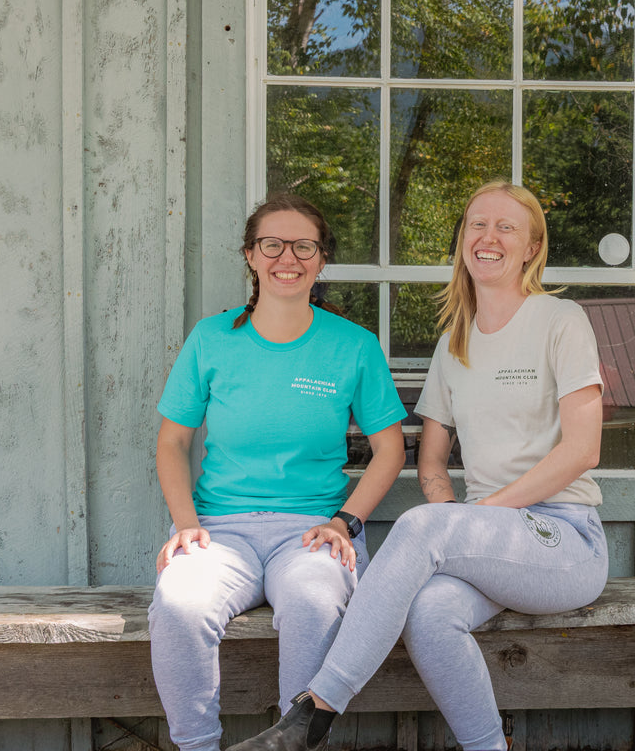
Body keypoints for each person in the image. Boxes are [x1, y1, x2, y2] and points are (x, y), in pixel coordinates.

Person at [227, 180, 609, 751]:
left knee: (424, 527)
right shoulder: (454, 342)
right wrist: (456, 518)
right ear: (462, 240)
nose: (488, 237)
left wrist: (468, 521)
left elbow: (584, 450)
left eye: (507, 227)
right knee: (429, 613)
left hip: (565, 539)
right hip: (490, 544)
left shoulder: (560, 320)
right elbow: (430, 460)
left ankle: (315, 710)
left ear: (531, 247)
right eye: (477, 224)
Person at [148, 193, 407, 751]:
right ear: (250, 254)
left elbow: (391, 450)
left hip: (311, 529)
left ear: (320, 259)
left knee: (314, 602)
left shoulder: (354, 346)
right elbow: (172, 442)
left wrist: (347, 523)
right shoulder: (212, 338)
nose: (286, 257)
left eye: (303, 245)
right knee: (178, 605)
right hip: (220, 530)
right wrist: (186, 523)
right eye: (272, 243)